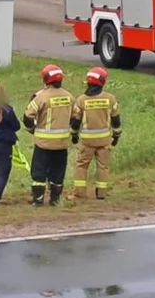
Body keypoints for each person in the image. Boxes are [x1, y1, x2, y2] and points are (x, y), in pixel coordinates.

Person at [23, 64, 73, 206]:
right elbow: (76, 118)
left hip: (43, 143)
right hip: (62, 144)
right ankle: (55, 200)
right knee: (58, 172)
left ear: (45, 79)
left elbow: (27, 117)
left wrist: (32, 129)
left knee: (39, 173)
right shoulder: (69, 96)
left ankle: (38, 201)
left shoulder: (41, 97)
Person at [70, 67, 122, 199]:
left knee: (81, 166)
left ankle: (79, 193)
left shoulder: (81, 100)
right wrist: (116, 136)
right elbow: (116, 121)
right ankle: (101, 193)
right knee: (103, 167)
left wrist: (74, 135)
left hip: (87, 141)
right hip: (105, 140)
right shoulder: (111, 99)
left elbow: (75, 121)